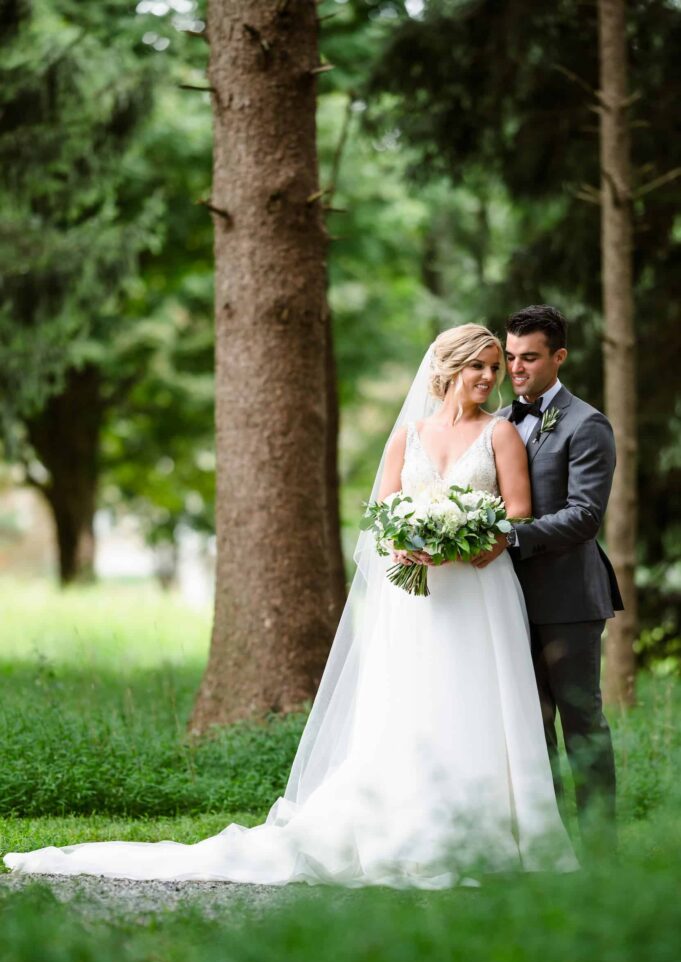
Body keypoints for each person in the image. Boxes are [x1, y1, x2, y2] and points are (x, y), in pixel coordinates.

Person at [4, 324, 577, 887]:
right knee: (414, 701)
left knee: (476, 697)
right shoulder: (410, 436)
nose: (489, 377)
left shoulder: (500, 434)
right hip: (416, 598)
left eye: (494, 368)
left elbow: (517, 513)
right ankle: (407, 829)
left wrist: (462, 542)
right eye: (478, 366)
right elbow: (384, 514)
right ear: (448, 368)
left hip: (478, 590)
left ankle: (487, 832)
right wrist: (405, 542)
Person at [477, 305, 622, 849]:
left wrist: (510, 537)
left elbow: (585, 515)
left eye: (530, 358)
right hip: (507, 599)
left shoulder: (587, 424)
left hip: (569, 599)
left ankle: (602, 851)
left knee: (582, 722)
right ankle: (552, 849)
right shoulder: (497, 422)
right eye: (510, 357)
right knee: (530, 726)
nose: (515, 368)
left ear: (559, 357)